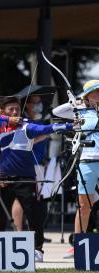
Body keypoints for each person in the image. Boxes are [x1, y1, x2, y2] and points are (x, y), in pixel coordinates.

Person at [0, 96, 74, 262]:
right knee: (0, 216)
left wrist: (71, 125)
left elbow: (50, 128)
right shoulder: (1, 125)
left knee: (33, 215)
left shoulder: (27, 126)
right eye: (11, 109)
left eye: (17, 109)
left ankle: (37, 250)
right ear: (3, 111)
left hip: (26, 178)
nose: (16, 111)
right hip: (5, 178)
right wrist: (8, 118)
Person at [52, 80, 99, 258]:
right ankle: (79, 246)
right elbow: (57, 112)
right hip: (87, 161)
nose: (98, 95)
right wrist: (77, 101)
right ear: (87, 95)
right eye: (94, 92)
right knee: (83, 205)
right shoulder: (80, 110)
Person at [12, 95, 49, 231]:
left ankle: (35, 230)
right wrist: (41, 137)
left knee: (36, 200)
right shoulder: (24, 122)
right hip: (27, 165)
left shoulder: (39, 121)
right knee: (21, 198)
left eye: (40, 101)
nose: (39, 104)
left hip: (39, 164)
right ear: (27, 105)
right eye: (36, 102)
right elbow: (20, 142)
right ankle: (18, 231)